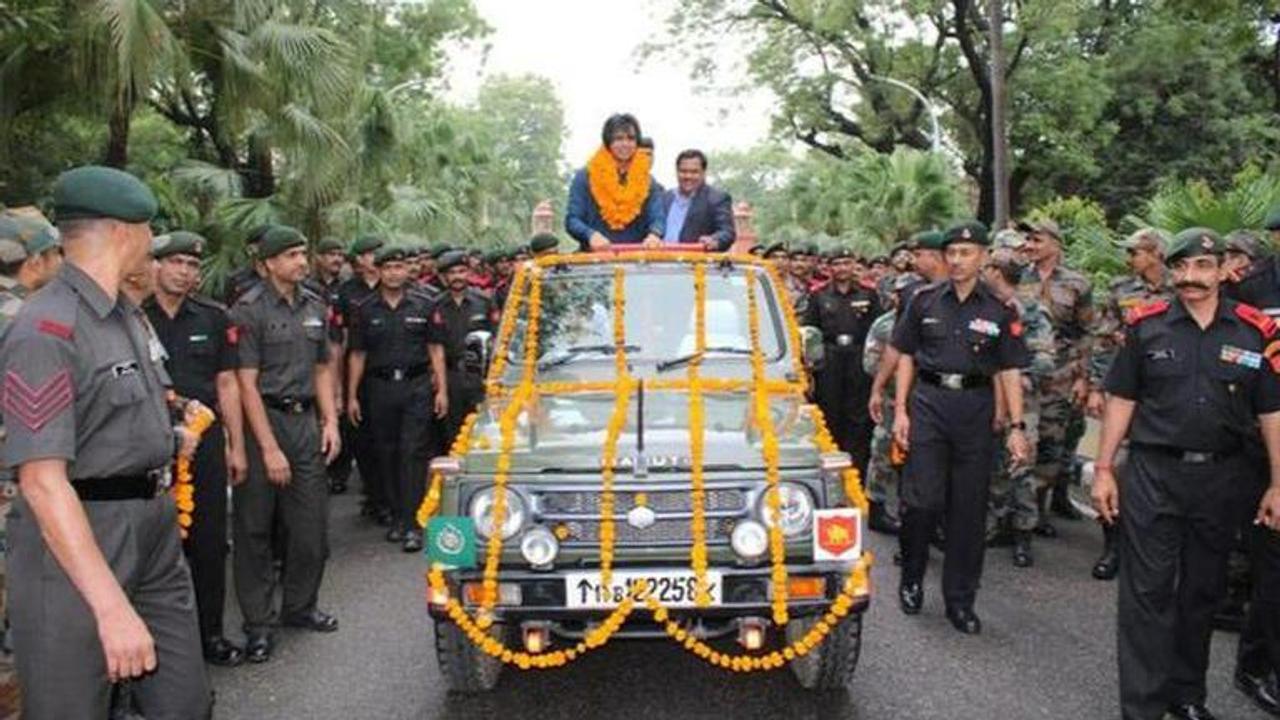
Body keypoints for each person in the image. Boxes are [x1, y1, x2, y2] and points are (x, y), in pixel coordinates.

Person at [2, 166, 211, 718]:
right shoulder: (45, 330)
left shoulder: (124, 315)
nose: (152, 245)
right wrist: (110, 607)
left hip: (153, 533)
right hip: (75, 544)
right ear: (124, 233)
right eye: (148, 231)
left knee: (186, 703)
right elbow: (42, 483)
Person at [1092, 227, 1280, 720]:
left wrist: (1279, 484)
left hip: (1223, 479)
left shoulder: (1255, 331)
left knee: (1202, 590)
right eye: (1181, 267)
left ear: (1223, 270)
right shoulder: (1146, 325)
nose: (1190, 278)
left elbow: (1272, 413)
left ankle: (1186, 694)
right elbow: (1122, 399)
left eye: (1201, 267)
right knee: (1147, 594)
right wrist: (1104, 469)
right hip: (1154, 473)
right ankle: (1142, 707)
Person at [890, 221, 1030, 634]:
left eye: (966, 253)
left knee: (968, 511)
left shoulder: (1000, 310)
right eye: (951, 253)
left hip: (975, 409)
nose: (956, 260)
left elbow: (1008, 368)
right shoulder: (923, 300)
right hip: (929, 404)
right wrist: (901, 409)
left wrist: (1017, 426)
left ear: (983, 257)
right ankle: (912, 577)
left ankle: (960, 600)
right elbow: (905, 356)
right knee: (922, 501)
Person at [230, 225, 342, 664]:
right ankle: (258, 623)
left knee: (311, 527)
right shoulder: (248, 310)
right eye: (292, 255)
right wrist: (268, 448)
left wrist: (329, 420)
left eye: (303, 253)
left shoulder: (315, 305)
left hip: (304, 423)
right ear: (270, 263)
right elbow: (246, 385)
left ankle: (300, 607)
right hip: (265, 422)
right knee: (255, 527)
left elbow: (321, 367)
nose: (301, 261)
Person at [143, 231, 248, 667]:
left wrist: (236, 445)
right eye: (176, 263)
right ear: (156, 265)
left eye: (191, 265)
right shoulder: (132, 315)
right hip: (148, 443)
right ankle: (154, 646)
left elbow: (227, 384)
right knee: (152, 545)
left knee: (207, 543)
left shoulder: (213, 317)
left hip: (203, 445)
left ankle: (210, 635)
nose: (184, 272)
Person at [346, 246, 448, 552]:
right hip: (380, 388)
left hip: (417, 385)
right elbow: (357, 354)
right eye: (387, 267)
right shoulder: (365, 309)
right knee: (386, 453)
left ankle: (413, 522)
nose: (393, 273)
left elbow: (435, 350)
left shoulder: (425, 304)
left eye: (399, 267)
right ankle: (395, 515)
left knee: (412, 453)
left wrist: (441, 390)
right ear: (378, 270)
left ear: (407, 270)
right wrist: (351, 395)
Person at [1085, 227, 1172, 581]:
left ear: (1155, 254)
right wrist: (1094, 386)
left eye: (1135, 252)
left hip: (1167, 394)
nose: (1129, 259)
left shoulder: (1180, 289)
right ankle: (1113, 546)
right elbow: (1104, 341)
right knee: (1116, 468)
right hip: (1125, 392)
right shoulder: (1122, 291)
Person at [1015, 218, 1095, 533]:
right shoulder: (1018, 278)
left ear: (1055, 243)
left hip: (1060, 377)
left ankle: (1039, 509)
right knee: (1021, 443)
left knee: (1052, 446)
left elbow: (1087, 333)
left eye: (1037, 239)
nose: (1030, 245)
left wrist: (1082, 378)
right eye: (1028, 240)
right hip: (1022, 377)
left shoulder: (1077, 283)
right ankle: (1016, 513)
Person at [982, 250, 1055, 567]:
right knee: (994, 464)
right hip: (986, 398)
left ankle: (1024, 533)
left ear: (998, 272)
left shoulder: (1032, 311)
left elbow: (1044, 358)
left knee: (1020, 466)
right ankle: (998, 523)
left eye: (988, 267)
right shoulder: (985, 307)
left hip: (1022, 404)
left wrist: (1019, 375)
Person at [802, 248, 880, 473]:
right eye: (837, 264)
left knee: (858, 416)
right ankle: (832, 468)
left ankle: (857, 470)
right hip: (830, 360)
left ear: (853, 264)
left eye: (846, 263)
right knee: (830, 413)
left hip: (858, 358)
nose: (842, 268)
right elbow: (810, 331)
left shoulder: (868, 294)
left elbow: (878, 331)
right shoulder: (819, 295)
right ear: (829, 268)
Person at [565, 113, 665, 251]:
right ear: (608, 142)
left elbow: (657, 217)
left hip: (636, 262)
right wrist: (590, 235)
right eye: (618, 139)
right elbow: (572, 220)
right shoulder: (585, 176)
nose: (625, 144)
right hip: (592, 263)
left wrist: (655, 234)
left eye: (631, 138)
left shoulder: (648, 181)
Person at [430, 250, 499, 447]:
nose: (458, 277)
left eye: (462, 271)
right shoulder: (435, 305)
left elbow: (497, 340)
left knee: (484, 430)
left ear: (469, 273)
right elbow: (433, 347)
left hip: (479, 376)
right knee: (452, 434)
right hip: (449, 377)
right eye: (452, 273)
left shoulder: (484, 302)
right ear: (444, 277)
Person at [660, 149, 736, 250]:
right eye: (683, 171)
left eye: (694, 172)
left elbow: (727, 232)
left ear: (704, 173)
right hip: (659, 262)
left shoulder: (717, 198)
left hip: (696, 263)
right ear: (677, 172)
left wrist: (713, 240)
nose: (688, 176)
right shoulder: (664, 198)